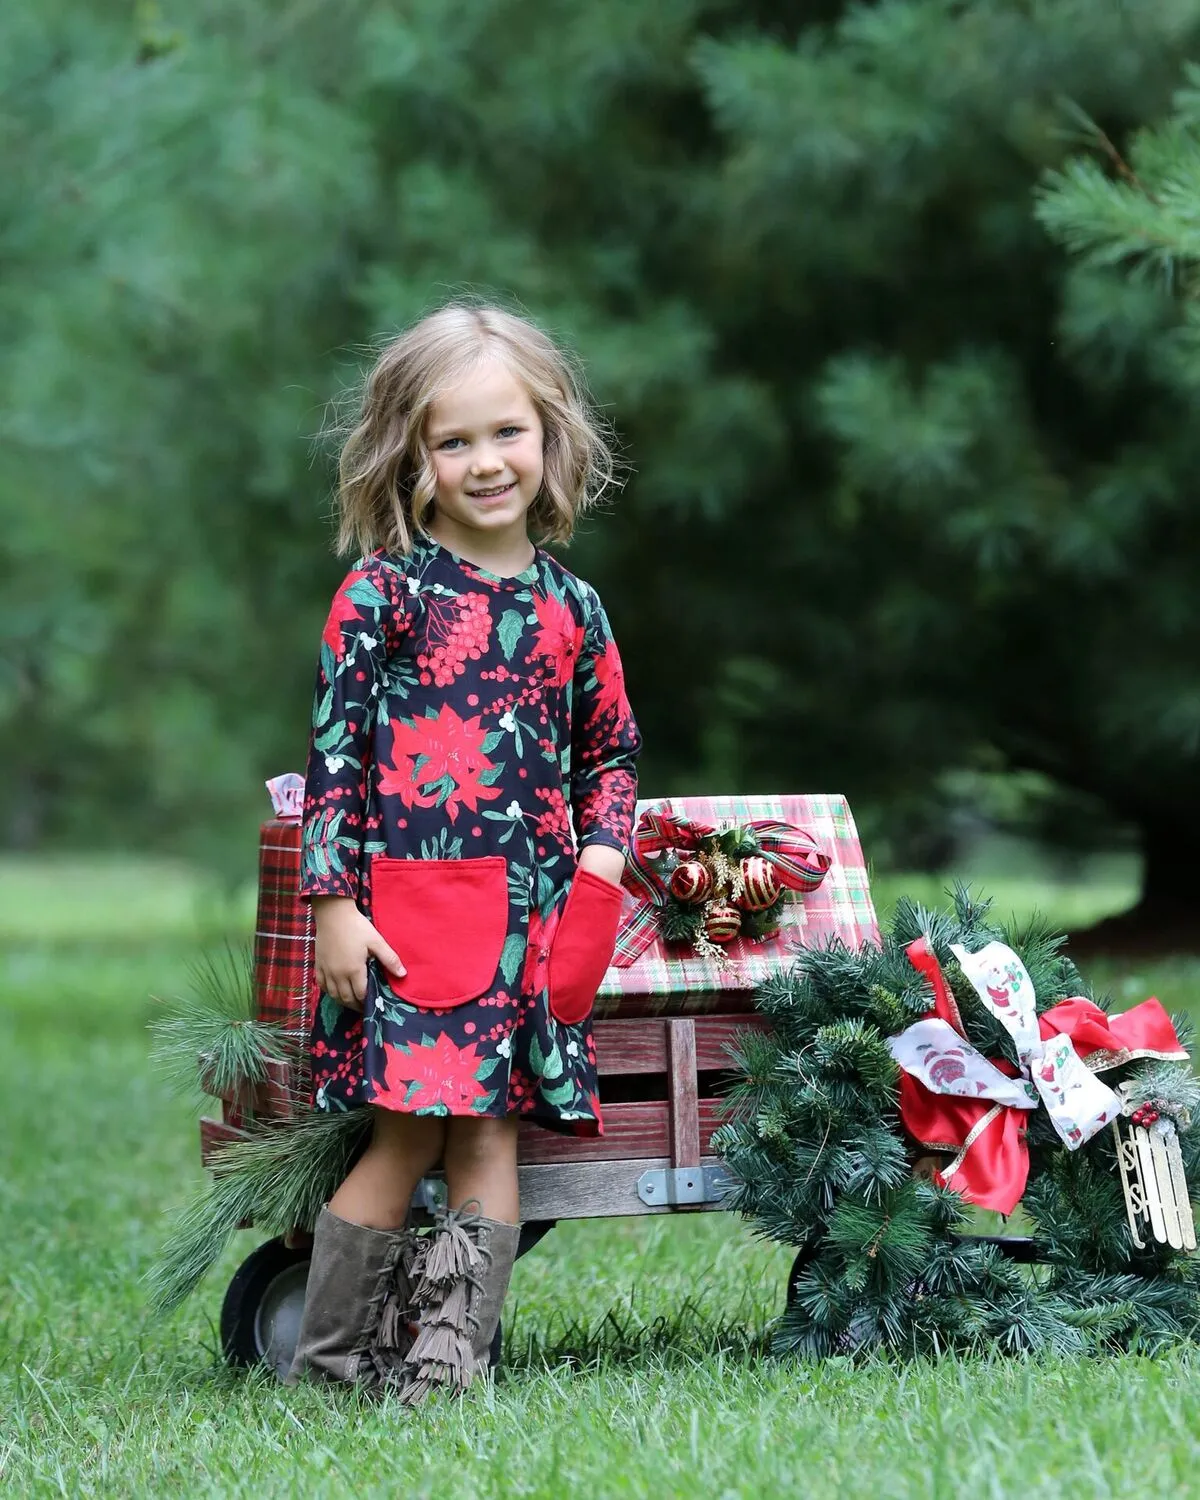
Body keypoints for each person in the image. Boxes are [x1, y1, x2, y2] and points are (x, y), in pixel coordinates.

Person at [286, 303, 641, 1402]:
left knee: (491, 1139)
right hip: (405, 923)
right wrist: (335, 902)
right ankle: (331, 1364)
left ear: (551, 438)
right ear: (413, 457)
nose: (486, 462)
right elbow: (334, 757)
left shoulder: (572, 609)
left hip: (523, 922)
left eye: (508, 433)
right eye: (455, 441)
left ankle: (449, 1367)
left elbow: (613, 755)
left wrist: (601, 866)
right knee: (401, 1142)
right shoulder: (383, 597)